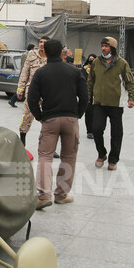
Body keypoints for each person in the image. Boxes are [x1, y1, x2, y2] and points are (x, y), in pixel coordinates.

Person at [27, 39, 88, 208]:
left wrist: (40, 116)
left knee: (45, 157)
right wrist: (78, 114)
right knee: (69, 157)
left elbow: (31, 99)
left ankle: (44, 196)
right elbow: (85, 97)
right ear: (62, 52)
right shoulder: (75, 71)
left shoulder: (41, 73)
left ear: (44, 53)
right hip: (70, 119)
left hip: (50, 120)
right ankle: (61, 195)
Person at [87, 36, 134, 172]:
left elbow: (130, 82)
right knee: (96, 129)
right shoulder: (96, 62)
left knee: (116, 133)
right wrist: (88, 96)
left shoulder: (122, 63)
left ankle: (113, 159)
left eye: (106, 46)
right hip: (99, 103)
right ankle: (101, 154)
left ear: (113, 48)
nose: (103, 48)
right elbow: (90, 81)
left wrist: (132, 98)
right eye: (102, 46)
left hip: (116, 104)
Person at [15, 37, 48, 146]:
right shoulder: (32, 54)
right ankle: (22, 141)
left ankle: (48, 145)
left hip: (47, 92)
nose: (42, 44)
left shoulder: (51, 57)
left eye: (45, 42)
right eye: (41, 42)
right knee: (28, 116)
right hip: (32, 90)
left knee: (49, 119)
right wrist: (20, 89)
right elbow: (25, 72)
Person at [82, 54, 97, 140]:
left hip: (97, 93)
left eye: (93, 59)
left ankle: (96, 130)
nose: (91, 60)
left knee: (97, 113)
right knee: (89, 113)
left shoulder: (98, 69)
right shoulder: (84, 70)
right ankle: (89, 131)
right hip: (88, 93)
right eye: (90, 59)